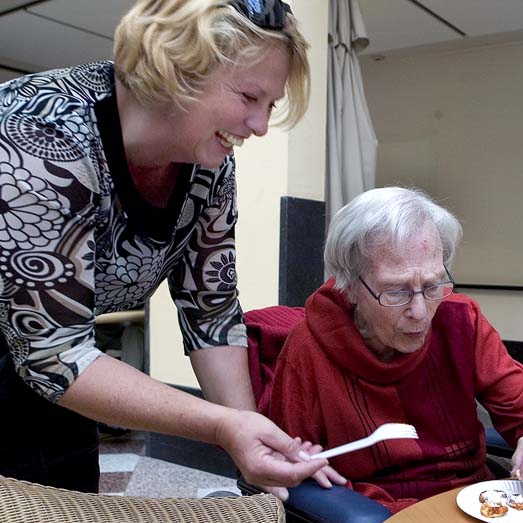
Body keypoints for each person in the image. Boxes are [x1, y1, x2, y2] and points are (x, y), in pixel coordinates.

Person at [0, 0, 329, 497]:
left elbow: (210, 311)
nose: (260, 127)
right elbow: (53, 354)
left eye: (271, 106)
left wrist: (252, 447)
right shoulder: (40, 132)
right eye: (248, 97)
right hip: (46, 354)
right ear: (176, 69)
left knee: (64, 509)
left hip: (62, 371)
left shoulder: (209, 165)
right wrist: (220, 426)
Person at [269, 187, 523, 514]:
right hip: (378, 517)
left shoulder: (461, 321)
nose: (420, 311)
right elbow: (287, 470)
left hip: (476, 506)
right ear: (350, 285)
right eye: (396, 291)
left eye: (432, 286)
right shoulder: (309, 348)